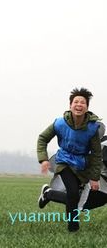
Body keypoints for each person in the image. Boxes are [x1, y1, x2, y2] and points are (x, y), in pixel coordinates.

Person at [37, 88, 102, 232]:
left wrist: (94, 177)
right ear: (70, 105)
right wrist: (43, 159)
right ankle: (73, 229)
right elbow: (43, 138)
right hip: (64, 161)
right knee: (72, 193)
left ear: (87, 107)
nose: (79, 105)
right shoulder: (59, 123)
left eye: (82, 102)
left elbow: (97, 154)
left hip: (81, 165)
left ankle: (48, 193)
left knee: (74, 197)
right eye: (76, 102)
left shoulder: (92, 128)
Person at [39, 125, 107, 212]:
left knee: (92, 202)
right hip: (89, 175)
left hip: (98, 180)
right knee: (77, 204)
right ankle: (48, 193)